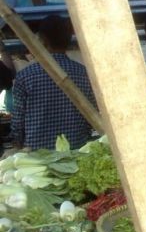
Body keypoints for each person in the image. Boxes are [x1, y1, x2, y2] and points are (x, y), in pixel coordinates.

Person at [10, 15, 96, 150]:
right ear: (68, 40)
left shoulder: (26, 76)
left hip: (37, 157)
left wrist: (17, 144)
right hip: (76, 150)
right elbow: (92, 114)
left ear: (42, 40)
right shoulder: (84, 73)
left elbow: (18, 121)